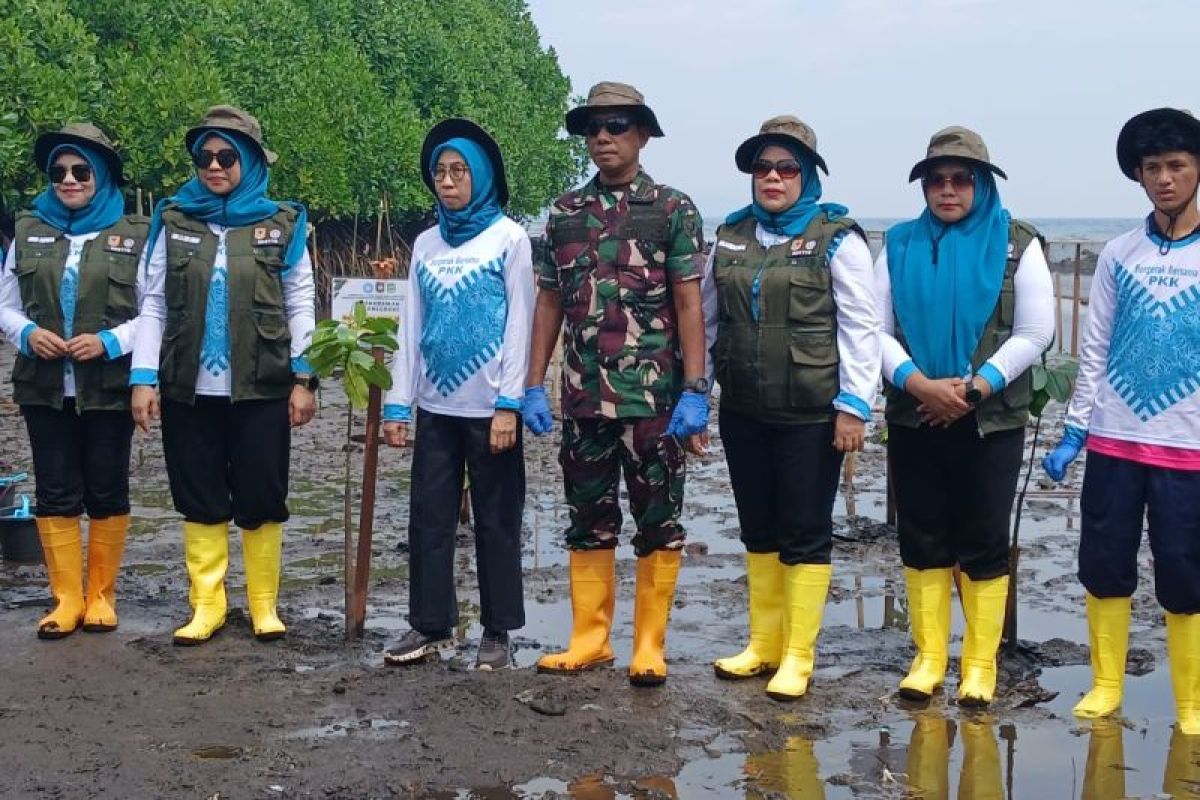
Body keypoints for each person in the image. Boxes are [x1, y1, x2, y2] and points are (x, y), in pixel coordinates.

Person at [522, 81, 707, 686]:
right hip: (582, 396)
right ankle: (589, 639)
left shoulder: (672, 209)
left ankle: (649, 646)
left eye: (618, 126)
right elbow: (549, 302)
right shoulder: (563, 213)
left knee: (659, 519)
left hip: (654, 399)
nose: (603, 137)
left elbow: (688, 304)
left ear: (643, 134)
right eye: (594, 128)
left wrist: (697, 389)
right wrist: (532, 383)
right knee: (588, 518)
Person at [876, 126, 1055, 706]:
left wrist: (974, 389)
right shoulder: (899, 243)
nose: (947, 190)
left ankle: (979, 663)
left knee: (982, 537)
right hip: (914, 415)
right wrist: (920, 385)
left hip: (989, 419)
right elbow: (872, 331)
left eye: (960, 179)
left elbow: (1035, 331)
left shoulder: (1016, 242)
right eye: (936, 180)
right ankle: (929, 657)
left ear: (981, 183)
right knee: (922, 534)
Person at [704, 116, 879, 701]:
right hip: (745, 409)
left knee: (805, 531)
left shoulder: (838, 238)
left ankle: (799, 655)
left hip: (811, 411)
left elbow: (862, 326)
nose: (772, 178)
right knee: (758, 528)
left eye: (786, 169)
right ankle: (763, 645)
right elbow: (707, 320)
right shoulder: (729, 237)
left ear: (807, 176)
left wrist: (854, 405)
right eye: (762, 168)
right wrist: (695, 391)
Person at [131, 105, 316, 645]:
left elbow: (300, 300)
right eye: (204, 156)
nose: (214, 166)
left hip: (261, 383)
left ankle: (264, 606)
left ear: (252, 160)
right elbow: (154, 305)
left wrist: (304, 377)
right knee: (199, 494)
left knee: (261, 494)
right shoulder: (173, 220)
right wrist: (144, 378)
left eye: (227, 156)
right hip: (188, 387)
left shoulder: (282, 222)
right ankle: (207, 605)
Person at [1043, 108, 1200, 733]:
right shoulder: (1119, 254)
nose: (1164, 179)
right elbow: (1097, 346)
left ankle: (1190, 701)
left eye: (1177, 166)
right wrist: (1076, 428)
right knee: (1105, 566)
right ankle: (1106, 683)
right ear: (1137, 175)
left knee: (1187, 575)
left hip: (1188, 450)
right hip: (1115, 442)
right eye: (1152, 168)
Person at [380, 118, 534, 671]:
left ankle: (497, 631)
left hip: (490, 409)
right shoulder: (425, 242)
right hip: (436, 408)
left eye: (459, 171)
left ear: (483, 176)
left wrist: (508, 404)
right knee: (428, 515)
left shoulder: (510, 239)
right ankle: (431, 625)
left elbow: (519, 322)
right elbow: (409, 324)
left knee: (497, 518)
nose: (447, 182)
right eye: (439, 172)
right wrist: (399, 405)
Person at [0, 123, 148, 638]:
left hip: (107, 386)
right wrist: (27, 334)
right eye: (59, 171)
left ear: (102, 175)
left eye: (81, 171)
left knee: (107, 488)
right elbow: (6, 305)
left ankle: (102, 596)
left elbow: (157, 312)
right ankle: (65, 598)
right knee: (54, 490)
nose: (68, 180)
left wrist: (110, 342)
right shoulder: (26, 230)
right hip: (44, 386)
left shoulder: (137, 234)